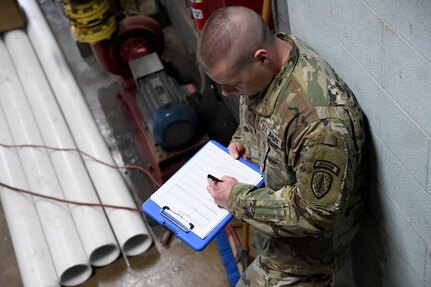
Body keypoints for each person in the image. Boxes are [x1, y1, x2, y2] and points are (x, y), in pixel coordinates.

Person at [198, 6, 368, 287]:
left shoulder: (321, 124)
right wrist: (243, 138)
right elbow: (258, 112)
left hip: (305, 253)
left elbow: (315, 214)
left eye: (233, 85)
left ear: (261, 58)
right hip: (272, 219)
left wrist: (237, 200)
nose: (226, 93)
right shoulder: (268, 62)